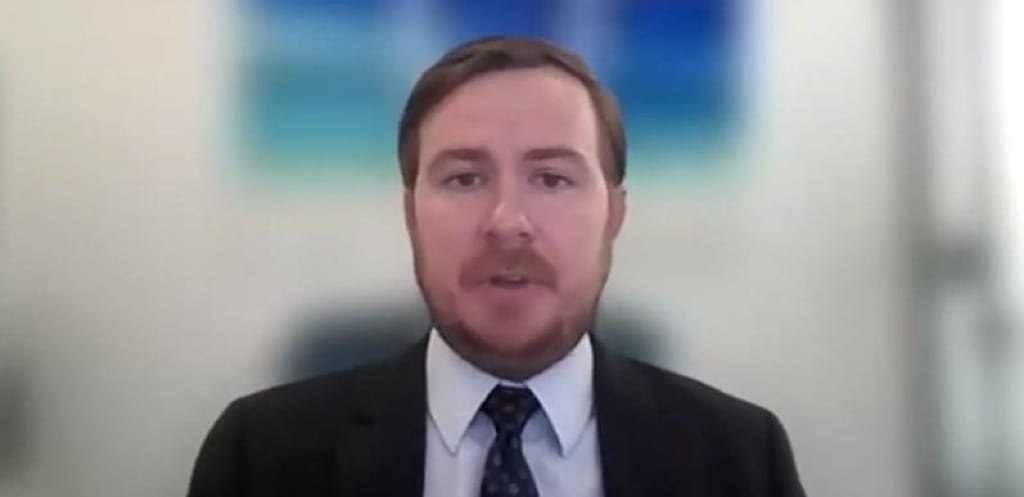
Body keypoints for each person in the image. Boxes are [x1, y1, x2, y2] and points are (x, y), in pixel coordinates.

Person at [187, 35, 806, 497]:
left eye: (552, 178)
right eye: (464, 178)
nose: (508, 220)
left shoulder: (740, 460)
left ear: (614, 214)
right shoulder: (259, 457)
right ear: (410, 214)